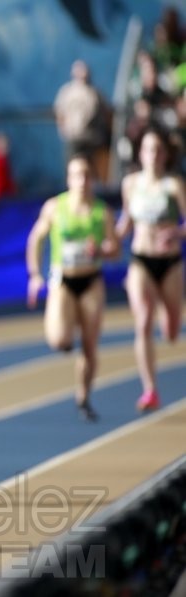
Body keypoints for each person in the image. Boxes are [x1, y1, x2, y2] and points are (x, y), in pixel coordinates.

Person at [26, 155, 118, 421]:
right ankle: (66, 337)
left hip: (91, 281)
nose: (81, 181)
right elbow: (36, 239)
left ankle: (84, 397)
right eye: (76, 175)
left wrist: (101, 249)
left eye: (86, 175)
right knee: (58, 339)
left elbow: (113, 251)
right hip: (63, 280)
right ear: (68, 179)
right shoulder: (55, 208)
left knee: (90, 347)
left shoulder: (102, 212)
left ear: (93, 179)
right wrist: (34, 275)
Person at [115, 128, 186, 412]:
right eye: (148, 149)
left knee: (170, 330)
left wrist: (176, 234)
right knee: (142, 320)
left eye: (158, 150)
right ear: (140, 153)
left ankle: (165, 315)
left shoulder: (174, 185)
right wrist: (109, 241)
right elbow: (125, 222)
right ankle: (150, 390)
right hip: (141, 259)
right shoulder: (130, 184)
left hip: (169, 263)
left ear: (165, 155)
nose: (153, 155)